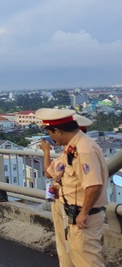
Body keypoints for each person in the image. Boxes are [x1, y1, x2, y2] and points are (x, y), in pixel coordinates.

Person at [37, 108, 107, 267]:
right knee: (72, 257)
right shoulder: (74, 147)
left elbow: (94, 185)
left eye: (51, 133)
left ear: (58, 131)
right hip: (72, 211)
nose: (52, 138)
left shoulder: (84, 149)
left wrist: (84, 213)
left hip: (82, 216)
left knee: (87, 261)